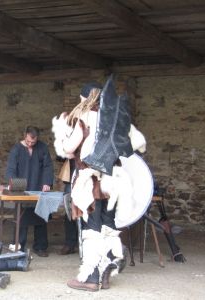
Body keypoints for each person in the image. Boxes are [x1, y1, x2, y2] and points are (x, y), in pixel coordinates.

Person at [52, 80, 146, 291]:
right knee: (108, 229)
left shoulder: (83, 118)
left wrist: (61, 138)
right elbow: (138, 145)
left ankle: (91, 278)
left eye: (81, 98)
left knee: (92, 228)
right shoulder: (116, 119)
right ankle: (105, 277)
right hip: (113, 184)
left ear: (87, 98)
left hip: (90, 182)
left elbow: (68, 149)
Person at [5, 126, 54, 257]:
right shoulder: (16, 149)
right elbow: (11, 169)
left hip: (39, 187)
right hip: (22, 188)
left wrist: (47, 183)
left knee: (41, 217)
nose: (30, 144)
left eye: (33, 142)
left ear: (37, 138)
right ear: (25, 136)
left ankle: (41, 247)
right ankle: (19, 246)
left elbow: (48, 166)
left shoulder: (42, 147)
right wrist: (14, 185)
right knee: (21, 219)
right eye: (28, 142)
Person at [58, 158, 78, 255]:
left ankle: (86, 243)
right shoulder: (71, 142)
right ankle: (70, 243)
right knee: (69, 211)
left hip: (88, 176)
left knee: (89, 211)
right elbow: (59, 156)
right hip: (71, 179)